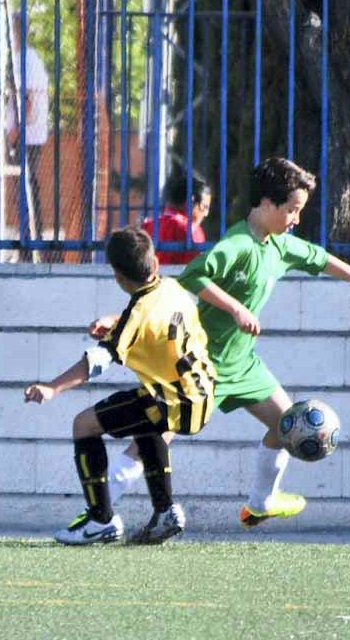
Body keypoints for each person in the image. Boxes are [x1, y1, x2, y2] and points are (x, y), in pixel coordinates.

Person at [88, 157, 350, 534]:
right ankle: (98, 518)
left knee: (288, 423)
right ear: (268, 204)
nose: (297, 219)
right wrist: (236, 308)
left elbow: (321, 260)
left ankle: (260, 501)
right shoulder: (237, 244)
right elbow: (193, 275)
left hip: (242, 364)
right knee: (151, 442)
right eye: (293, 209)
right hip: (200, 366)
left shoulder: (280, 245)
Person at [24, 226, 216, 545]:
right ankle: (165, 511)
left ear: (118, 277)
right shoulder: (172, 287)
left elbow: (98, 360)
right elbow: (146, 316)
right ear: (154, 263)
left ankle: (101, 520)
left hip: (172, 400)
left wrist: (52, 388)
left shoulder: (138, 314)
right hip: (203, 393)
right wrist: (115, 321)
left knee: (83, 425)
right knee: (147, 424)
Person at [5, 12, 49, 242]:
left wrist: (14, 134)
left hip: (26, 136)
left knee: (26, 189)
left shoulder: (25, 60)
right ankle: (31, 238)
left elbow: (28, 100)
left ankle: (30, 239)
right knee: (28, 188)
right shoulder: (32, 59)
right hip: (31, 135)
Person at [142, 175, 211, 264]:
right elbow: (199, 269)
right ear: (191, 201)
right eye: (204, 207)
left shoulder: (147, 226)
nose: (206, 214)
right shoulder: (191, 230)